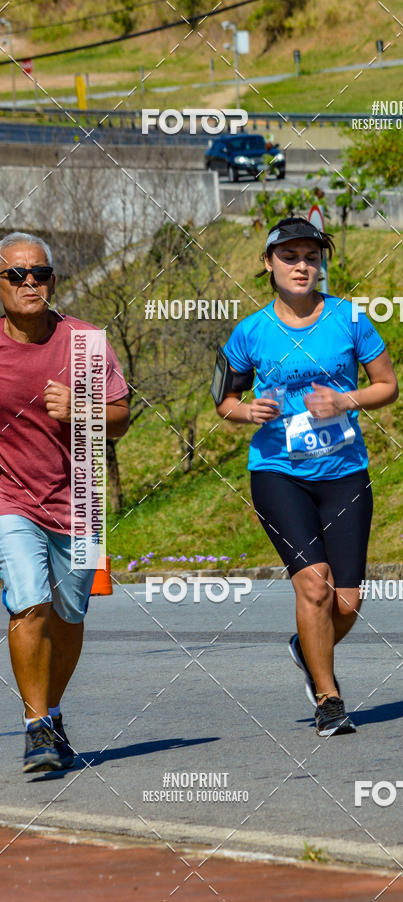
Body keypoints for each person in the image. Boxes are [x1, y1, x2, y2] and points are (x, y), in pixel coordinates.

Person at [215, 217, 398, 736]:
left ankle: (305, 645)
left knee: (347, 600)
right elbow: (223, 399)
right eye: (290, 257)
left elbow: (387, 384)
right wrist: (243, 412)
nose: (302, 266)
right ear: (268, 264)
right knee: (313, 587)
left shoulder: (349, 318)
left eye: (311, 258)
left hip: (345, 472)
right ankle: (329, 699)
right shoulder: (249, 332)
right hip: (278, 473)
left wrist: (347, 399)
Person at [0, 232, 130, 773]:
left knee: (70, 614)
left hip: (80, 502)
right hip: (10, 500)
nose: (31, 283)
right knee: (29, 601)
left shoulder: (85, 342)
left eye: (41, 274)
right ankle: (35, 727)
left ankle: (52, 712)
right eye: (16, 275)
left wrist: (81, 408)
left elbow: (121, 419)